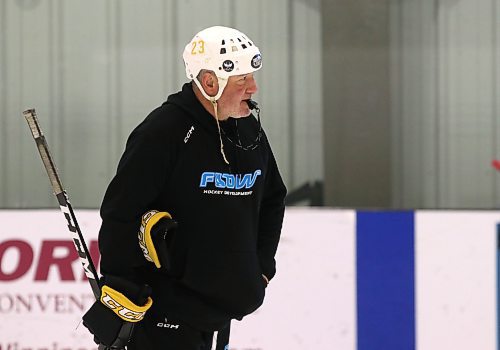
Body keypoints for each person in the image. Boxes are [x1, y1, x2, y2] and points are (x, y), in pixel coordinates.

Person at [82, 25, 287, 350]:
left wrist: (260, 268)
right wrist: (123, 287)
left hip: (221, 312)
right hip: (165, 313)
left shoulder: (248, 130)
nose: (254, 87)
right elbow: (121, 214)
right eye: (243, 80)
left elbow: (274, 197)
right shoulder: (163, 131)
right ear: (210, 82)